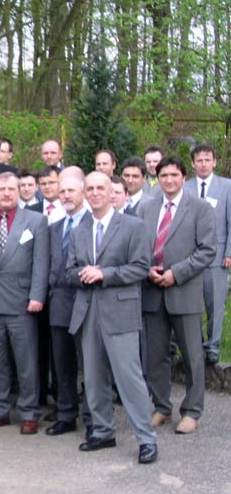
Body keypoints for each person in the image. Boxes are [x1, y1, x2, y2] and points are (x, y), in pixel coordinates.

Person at [66, 172, 158, 464]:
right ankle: (103, 432)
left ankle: (146, 439)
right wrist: (82, 274)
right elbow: (68, 271)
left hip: (120, 310)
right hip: (88, 310)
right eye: (89, 188)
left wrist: (104, 273)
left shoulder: (133, 226)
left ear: (112, 192)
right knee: (93, 378)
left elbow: (141, 268)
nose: (94, 193)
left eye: (100, 188)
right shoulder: (80, 228)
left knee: (129, 378)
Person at [140, 156, 216, 434]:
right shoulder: (146, 208)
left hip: (183, 291)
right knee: (155, 355)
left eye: (174, 175)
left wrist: (177, 273)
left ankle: (192, 411)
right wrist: (147, 269)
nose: (169, 180)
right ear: (157, 179)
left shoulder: (200, 208)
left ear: (183, 177)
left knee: (192, 355)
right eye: (164, 176)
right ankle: (162, 407)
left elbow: (208, 250)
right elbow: (137, 246)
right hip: (153, 291)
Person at [0, 173, 49, 434]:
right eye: (1, 189)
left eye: (11, 189)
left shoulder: (36, 221)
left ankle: (28, 412)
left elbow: (41, 262)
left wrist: (37, 295)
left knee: (26, 361)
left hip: (21, 302)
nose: (6, 193)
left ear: (20, 191)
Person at [45, 175, 91, 437]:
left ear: (82, 193)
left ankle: (93, 417)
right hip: (59, 304)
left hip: (86, 301)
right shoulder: (55, 228)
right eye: (62, 191)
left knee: (90, 365)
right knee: (62, 365)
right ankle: (66, 414)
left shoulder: (92, 223)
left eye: (71, 190)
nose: (66, 195)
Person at [186, 143, 231, 364]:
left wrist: (229, 251)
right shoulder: (185, 188)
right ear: (193, 163)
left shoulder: (227, 187)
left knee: (215, 305)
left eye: (207, 160)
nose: (203, 164)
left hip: (217, 256)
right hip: (190, 258)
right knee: (193, 306)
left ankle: (212, 350)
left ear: (214, 162)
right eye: (199, 160)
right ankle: (196, 348)